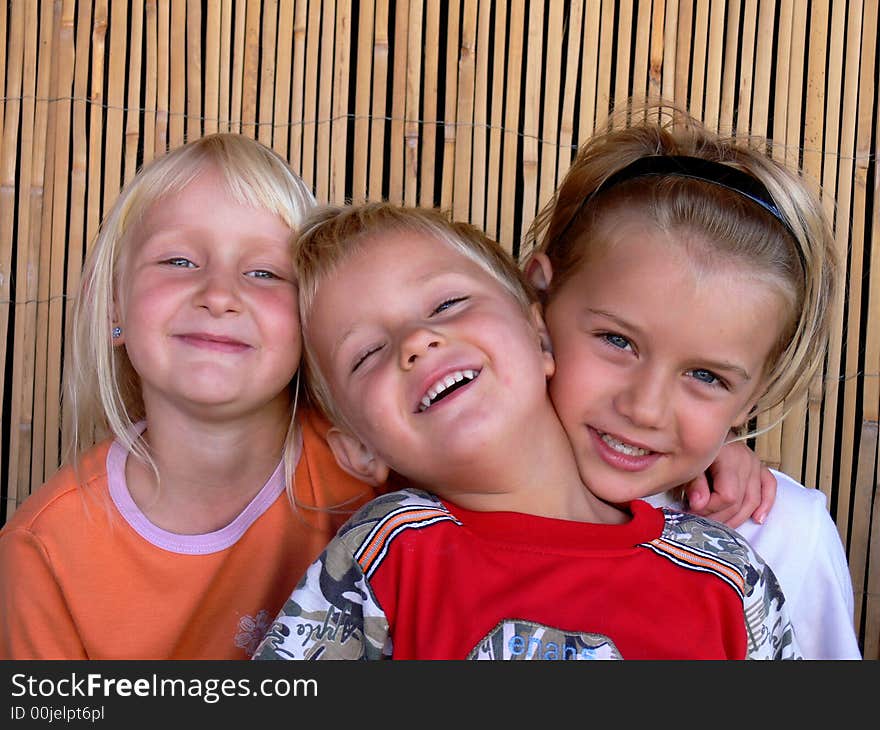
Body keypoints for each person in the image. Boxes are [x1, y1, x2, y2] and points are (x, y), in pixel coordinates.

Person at [252, 202, 800, 660]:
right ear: (359, 450)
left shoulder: (728, 573)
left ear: (539, 335)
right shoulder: (381, 557)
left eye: (448, 304)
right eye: (367, 353)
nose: (417, 341)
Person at [0, 134, 377, 659]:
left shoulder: (371, 478)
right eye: (178, 261)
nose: (219, 295)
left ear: (310, 316)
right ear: (113, 305)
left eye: (265, 273)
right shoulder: (43, 550)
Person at [521, 103, 859, 659]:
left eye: (706, 376)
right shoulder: (430, 491)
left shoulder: (782, 539)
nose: (646, 409)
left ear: (756, 392)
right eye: (617, 340)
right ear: (540, 298)